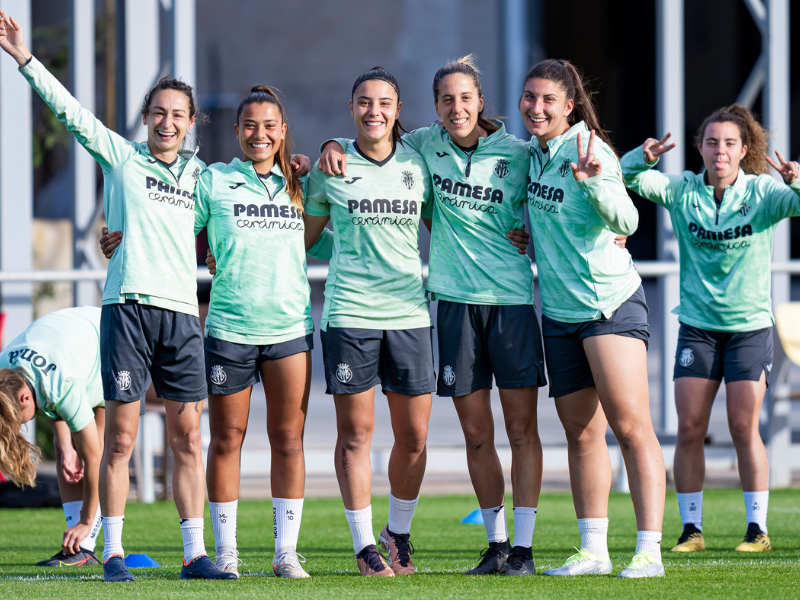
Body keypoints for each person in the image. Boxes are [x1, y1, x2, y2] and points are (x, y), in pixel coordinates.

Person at [0, 11, 234, 582]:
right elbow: (71, 113)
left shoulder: (202, 177)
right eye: (159, 112)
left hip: (181, 316)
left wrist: (301, 160)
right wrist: (25, 58)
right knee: (121, 438)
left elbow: (239, 200)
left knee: (188, 436)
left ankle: (195, 554)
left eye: (178, 114)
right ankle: (112, 552)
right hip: (127, 311)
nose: (167, 122)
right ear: (146, 117)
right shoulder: (122, 156)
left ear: (191, 122)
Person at [319, 55, 545, 576]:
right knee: (474, 434)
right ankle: (494, 544)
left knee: (520, 429)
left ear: (481, 102)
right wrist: (332, 143)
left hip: (510, 303)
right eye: (446, 99)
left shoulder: (520, 153)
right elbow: (366, 140)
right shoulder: (422, 146)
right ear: (432, 109)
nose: (457, 107)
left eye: (466, 98)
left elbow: (564, 198)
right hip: (447, 304)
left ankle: (524, 551)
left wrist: (596, 227)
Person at [621, 104, 800, 554]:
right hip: (697, 328)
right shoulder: (683, 190)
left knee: (743, 426)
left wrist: (796, 179)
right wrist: (642, 157)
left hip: (749, 328)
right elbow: (629, 180)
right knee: (689, 428)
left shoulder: (763, 193)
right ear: (700, 148)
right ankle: (691, 529)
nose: (720, 151)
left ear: (745, 150)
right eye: (712, 142)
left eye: (730, 144)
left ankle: (756, 528)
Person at [519, 59, 666, 578]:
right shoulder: (534, 155)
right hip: (558, 313)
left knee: (630, 427)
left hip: (607, 304)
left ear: (570, 107)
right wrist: (528, 233)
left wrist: (597, 183)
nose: (536, 108)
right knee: (581, 434)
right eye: (530, 97)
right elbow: (549, 215)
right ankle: (594, 551)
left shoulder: (588, 150)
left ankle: (649, 552)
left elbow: (626, 219)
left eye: (548, 101)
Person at [303, 66, 437, 577]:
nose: (373, 111)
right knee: (356, 435)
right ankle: (364, 547)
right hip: (350, 314)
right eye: (364, 102)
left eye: (383, 103)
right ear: (352, 109)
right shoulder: (330, 166)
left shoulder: (419, 165)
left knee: (415, 438)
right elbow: (306, 239)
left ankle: (397, 533)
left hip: (409, 313)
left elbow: (445, 226)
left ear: (399, 110)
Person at [0, 307, 104, 567]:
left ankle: (88, 545)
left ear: (24, 399)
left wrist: (85, 521)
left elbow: (95, 459)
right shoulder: (5, 370)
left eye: (15, 420)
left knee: (109, 448)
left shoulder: (62, 383)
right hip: (67, 347)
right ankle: (74, 549)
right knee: (64, 449)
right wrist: (66, 447)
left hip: (107, 344)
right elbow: (43, 393)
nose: (16, 428)